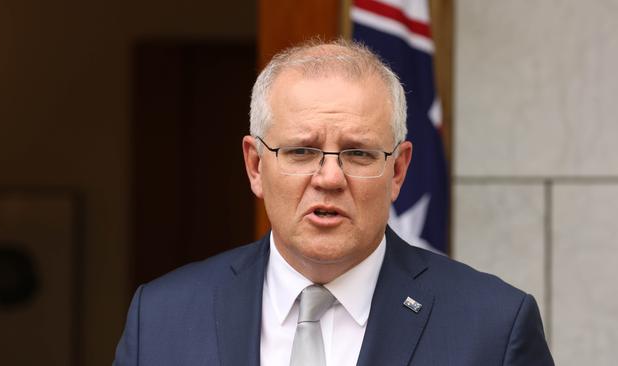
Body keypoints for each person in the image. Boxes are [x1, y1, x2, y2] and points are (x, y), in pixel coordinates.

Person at [113, 39, 554, 366]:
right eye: (302, 151)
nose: (329, 178)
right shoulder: (161, 318)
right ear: (254, 165)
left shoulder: (493, 328)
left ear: (398, 171)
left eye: (359, 153)